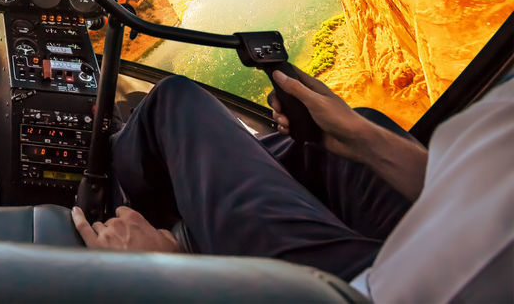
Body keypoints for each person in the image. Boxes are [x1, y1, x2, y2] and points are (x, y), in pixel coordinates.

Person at [71, 68, 513, 302]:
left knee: (175, 101)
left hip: (356, 292)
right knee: (357, 132)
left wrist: (168, 278)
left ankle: (113, 205)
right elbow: (484, 190)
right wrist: (360, 138)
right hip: (435, 245)